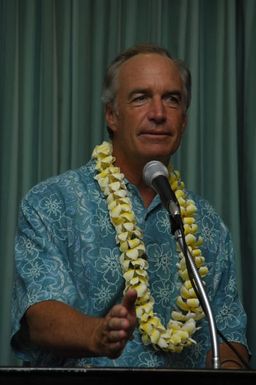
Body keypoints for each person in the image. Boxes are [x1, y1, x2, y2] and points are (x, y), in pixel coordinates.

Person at [11, 43, 250, 369]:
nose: (158, 113)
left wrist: (230, 369)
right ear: (112, 115)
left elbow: (228, 333)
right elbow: (39, 315)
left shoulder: (208, 224)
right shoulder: (52, 202)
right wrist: (98, 334)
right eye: (140, 98)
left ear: (184, 121)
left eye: (172, 99)